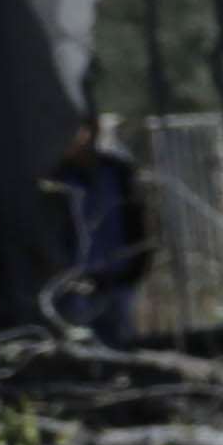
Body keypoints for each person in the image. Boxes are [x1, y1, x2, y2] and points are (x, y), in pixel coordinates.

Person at [44, 117, 151, 345]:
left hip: (119, 273)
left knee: (122, 336)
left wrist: (137, 264)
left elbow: (136, 217)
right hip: (81, 280)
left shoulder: (117, 172)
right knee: (88, 340)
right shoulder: (61, 180)